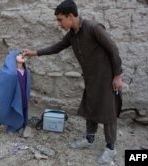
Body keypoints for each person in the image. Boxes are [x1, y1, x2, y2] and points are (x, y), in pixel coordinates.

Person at [23, 0, 123, 164]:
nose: (59, 23)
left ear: (71, 16)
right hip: (90, 78)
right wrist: (34, 53)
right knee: (90, 108)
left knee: (108, 112)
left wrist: (117, 76)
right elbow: (57, 47)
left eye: (60, 19)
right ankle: (89, 139)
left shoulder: (93, 28)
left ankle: (111, 148)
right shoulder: (73, 34)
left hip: (106, 78)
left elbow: (113, 49)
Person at [0, 49, 31, 135]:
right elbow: (3, 85)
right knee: (12, 108)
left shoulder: (27, 71)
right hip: (13, 95)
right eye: (19, 54)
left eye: (22, 54)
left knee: (22, 106)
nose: (22, 55)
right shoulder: (9, 72)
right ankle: (12, 126)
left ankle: (22, 123)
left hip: (23, 94)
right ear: (13, 58)